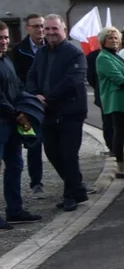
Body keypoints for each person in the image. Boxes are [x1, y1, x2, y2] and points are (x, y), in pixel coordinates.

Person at [25, 15, 89, 212]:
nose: (51, 32)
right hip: (47, 114)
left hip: (70, 113)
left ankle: (70, 195)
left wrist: (47, 98)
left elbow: (73, 81)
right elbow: (32, 76)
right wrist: (35, 95)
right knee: (52, 153)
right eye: (48, 28)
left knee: (69, 155)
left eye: (55, 28)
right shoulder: (42, 53)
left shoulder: (74, 53)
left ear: (64, 29)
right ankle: (77, 187)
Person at [0, 22, 43, 230]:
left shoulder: (6, 60)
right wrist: (16, 112)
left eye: (6, 38)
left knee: (16, 165)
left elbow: (17, 86)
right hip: (3, 121)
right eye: (0, 38)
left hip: (11, 123)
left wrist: (28, 102)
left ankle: (14, 210)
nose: (4, 41)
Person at [94, 26, 124, 179]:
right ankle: (121, 165)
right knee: (120, 133)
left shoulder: (116, 56)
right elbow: (118, 79)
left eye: (116, 38)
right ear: (103, 41)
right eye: (110, 38)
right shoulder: (103, 57)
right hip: (117, 100)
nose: (114, 41)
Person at [11, 14, 46, 198]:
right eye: (36, 26)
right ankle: (36, 183)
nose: (40, 29)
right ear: (27, 28)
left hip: (51, 102)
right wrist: (32, 96)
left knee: (60, 145)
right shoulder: (18, 52)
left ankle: (72, 182)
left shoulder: (51, 47)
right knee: (34, 144)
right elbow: (17, 79)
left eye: (42, 25)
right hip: (30, 105)